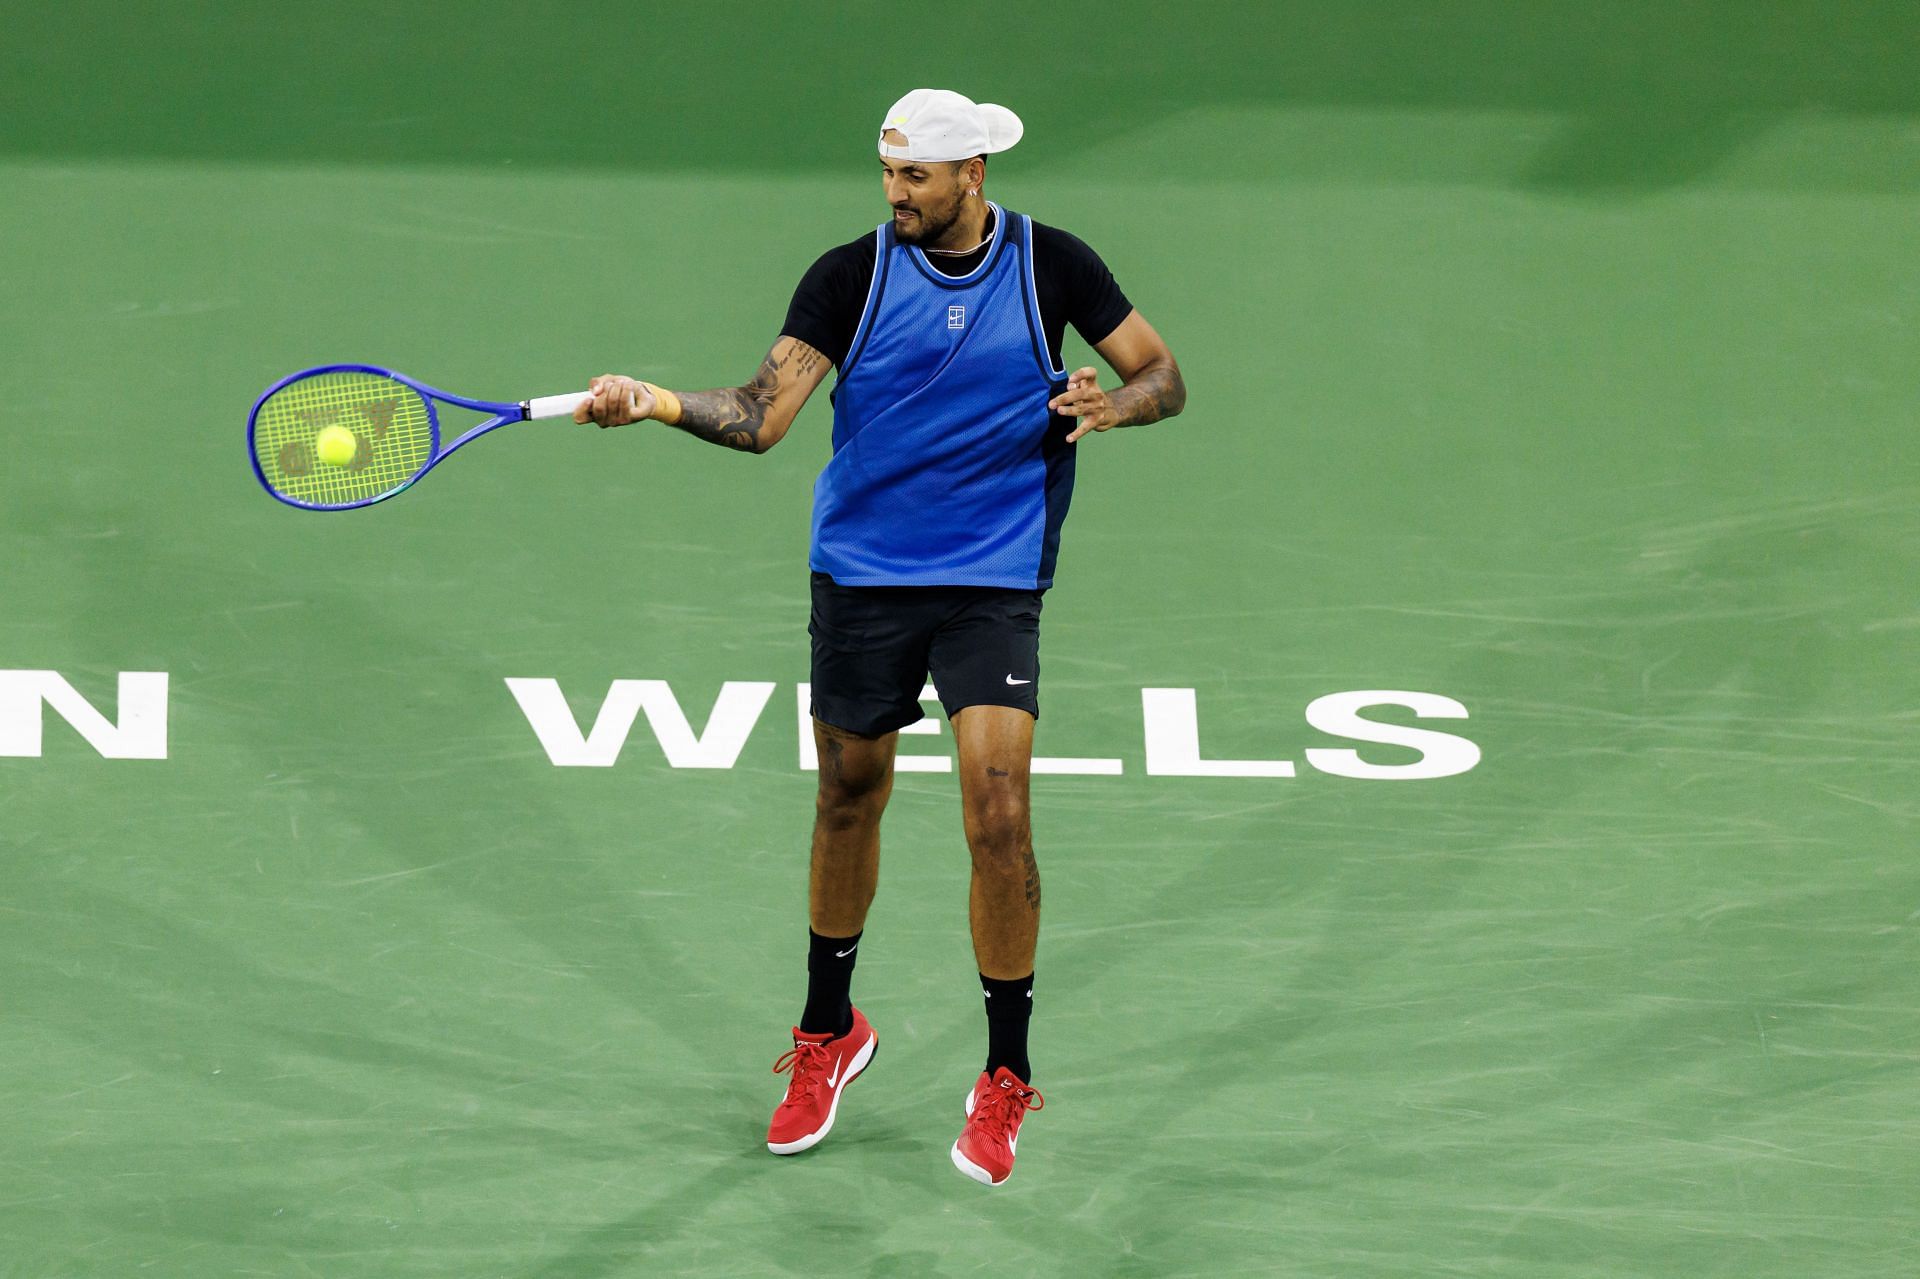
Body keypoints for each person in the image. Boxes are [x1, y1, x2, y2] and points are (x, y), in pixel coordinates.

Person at [574, 88, 1185, 1186]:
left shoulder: (1056, 265)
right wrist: (653, 399)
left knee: (999, 809)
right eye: (888, 172)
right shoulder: (848, 276)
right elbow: (763, 415)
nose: (894, 193)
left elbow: (1162, 375)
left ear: (973, 176)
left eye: (915, 176)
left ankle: (1005, 1074)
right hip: (863, 572)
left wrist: (1110, 408)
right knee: (847, 793)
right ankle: (828, 1034)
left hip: (993, 575)